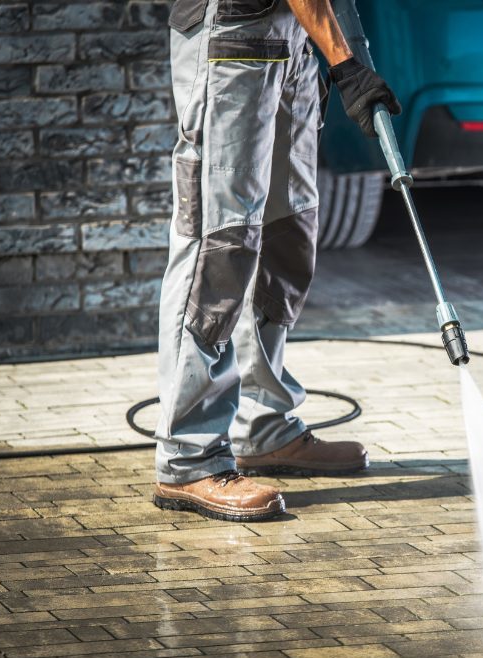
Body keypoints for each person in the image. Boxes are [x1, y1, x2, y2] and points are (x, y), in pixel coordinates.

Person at [153, 0, 401, 521]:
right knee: (219, 245)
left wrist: (345, 52)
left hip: (293, 43)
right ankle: (189, 457)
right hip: (232, 38)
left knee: (286, 236)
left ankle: (263, 425)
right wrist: (345, 62)